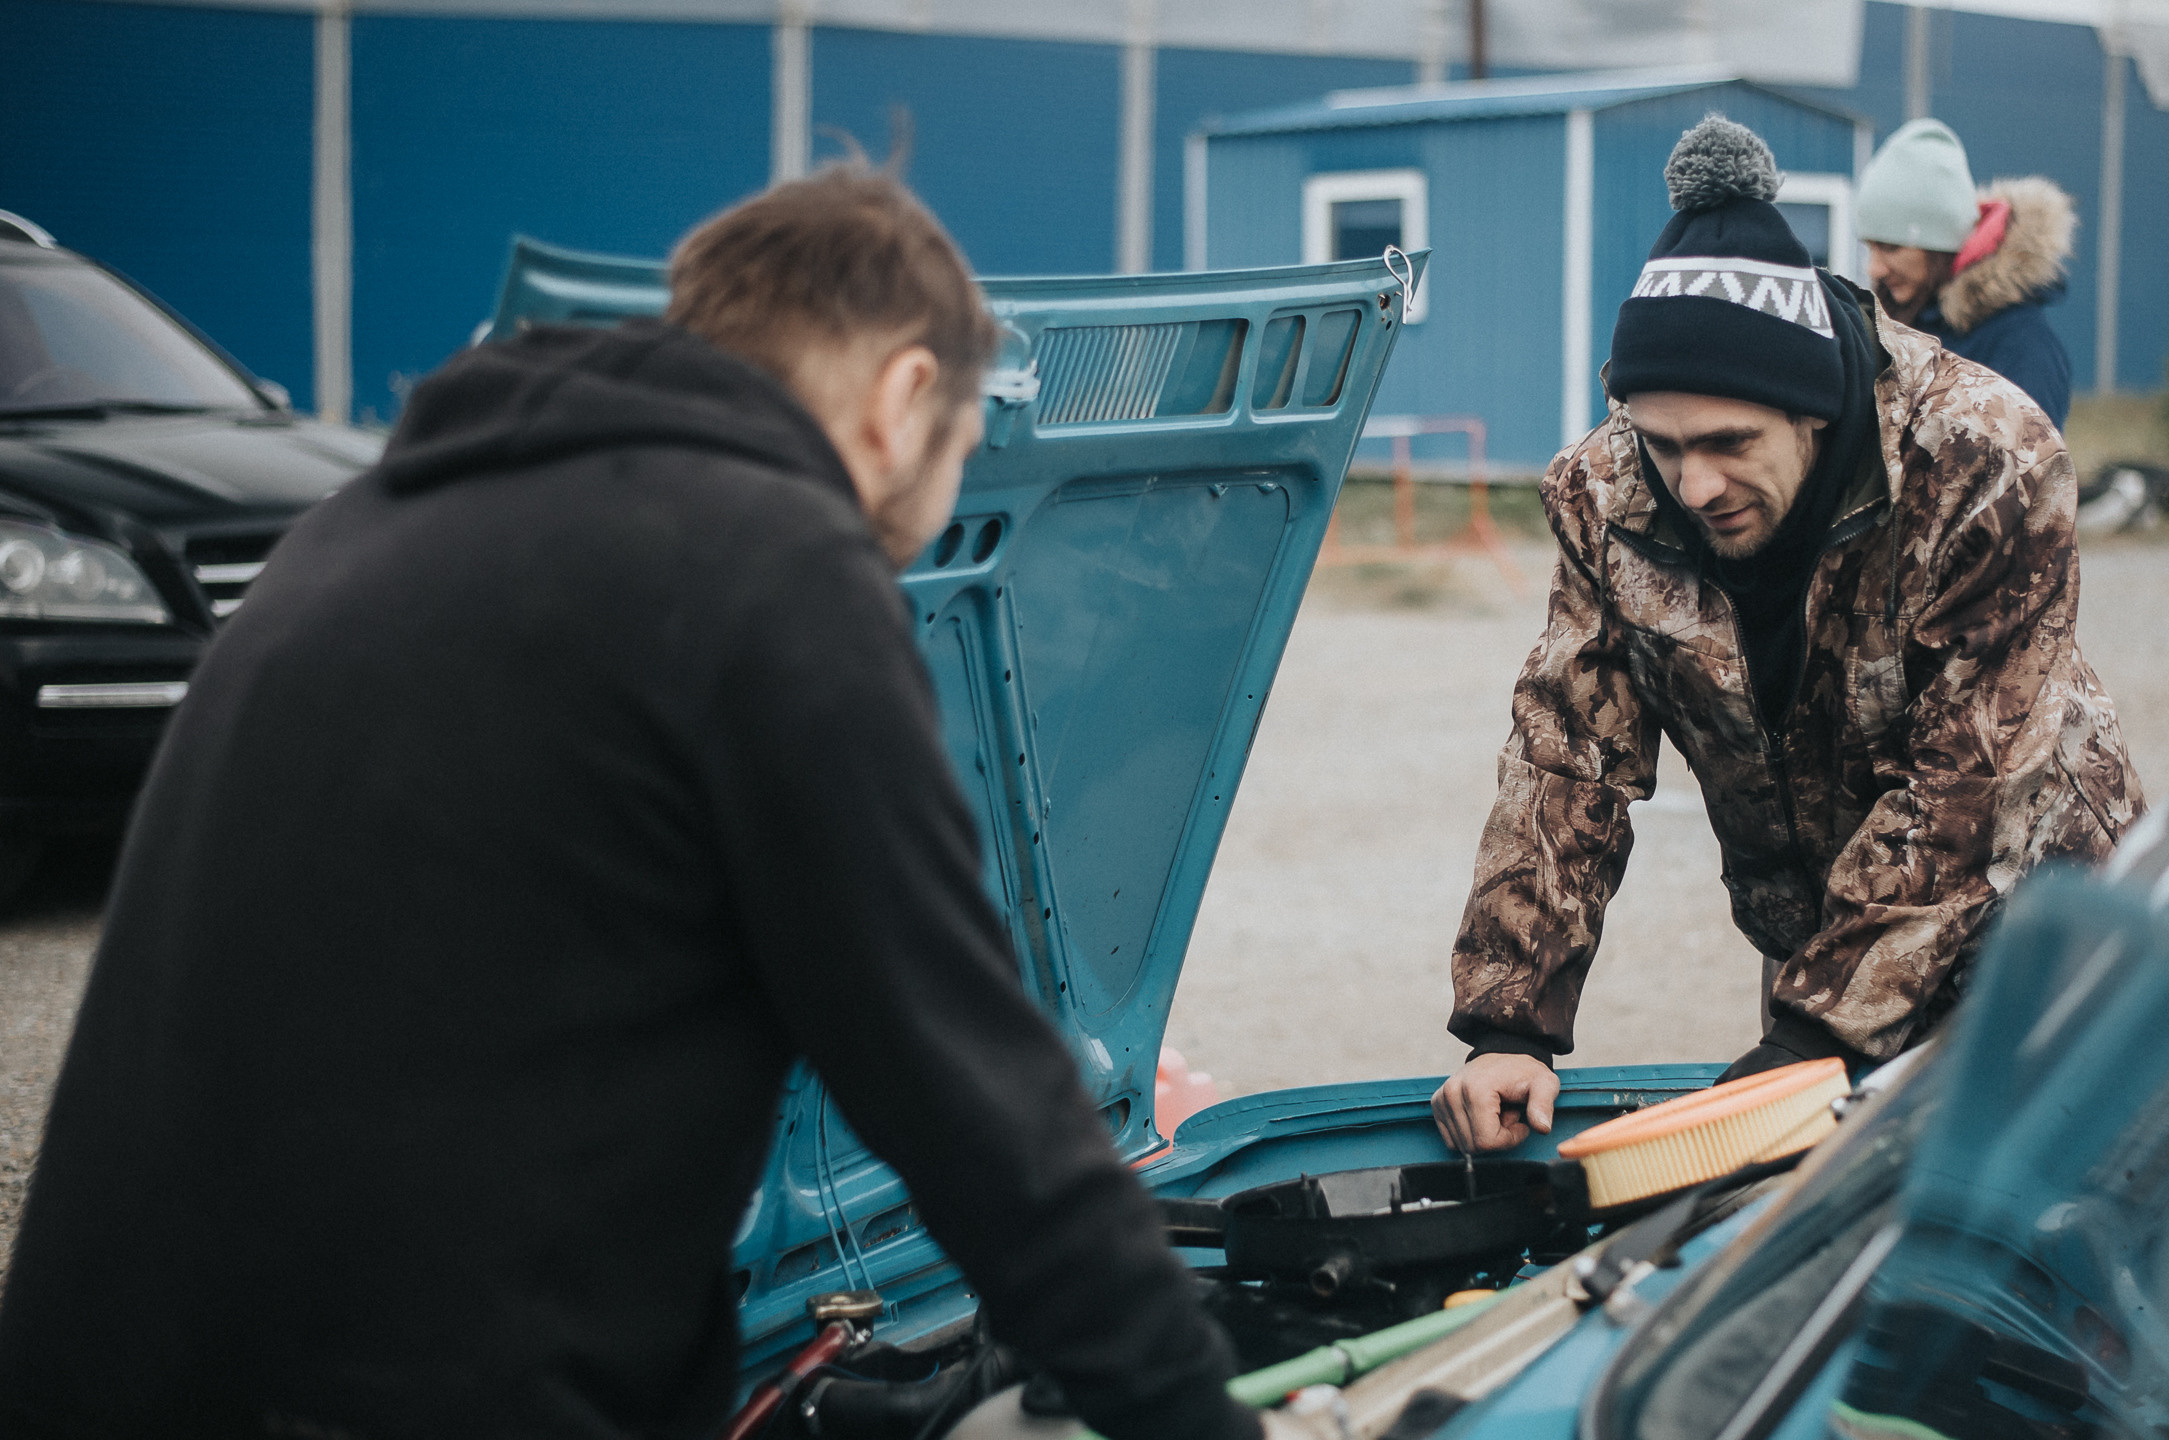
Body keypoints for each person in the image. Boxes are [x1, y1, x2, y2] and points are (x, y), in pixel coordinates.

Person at [0, 165, 1265, 1440]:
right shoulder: (769, 569)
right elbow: (974, 1097)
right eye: (964, 454)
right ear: (905, 396)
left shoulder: (358, 527)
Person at [1430, 116, 2142, 1155]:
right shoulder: (1606, 494)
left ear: (1813, 411)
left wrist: (1809, 1039)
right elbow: (1567, 755)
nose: (1696, 483)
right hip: (1825, 940)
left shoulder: (1984, 462)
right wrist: (1508, 1024)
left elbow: (1967, 785)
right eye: (1665, 443)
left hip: (2043, 932)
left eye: (1728, 443)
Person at [1855, 118, 2079, 428]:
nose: (1874, 268)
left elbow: (2027, 471)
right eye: (1870, 248)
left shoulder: (2022, 346)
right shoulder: (1900, 320)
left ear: (1938, 246)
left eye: (1890, 248)